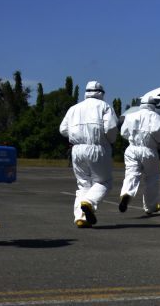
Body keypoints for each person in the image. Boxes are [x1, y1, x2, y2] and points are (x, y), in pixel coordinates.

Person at [59, 81, 118, 228]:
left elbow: (63, 129)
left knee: (83, 184)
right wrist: (110, 141)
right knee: (104, 182)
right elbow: (111, 128)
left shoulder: (74, 108)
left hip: (77, 150)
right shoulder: (104, 106)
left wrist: (75, 136)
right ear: (101, 93)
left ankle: (81, 217)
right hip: (97, 148)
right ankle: (89, 203)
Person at [119, 96, 160, 215]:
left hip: (132, 149)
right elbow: (156, 131)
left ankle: (126, 193)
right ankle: (150, 207)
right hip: (148, 150)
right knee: (151, 178)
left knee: (131, 174)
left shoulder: (130, 116)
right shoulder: (155, 116)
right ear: (153, 105)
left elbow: (123, 133)